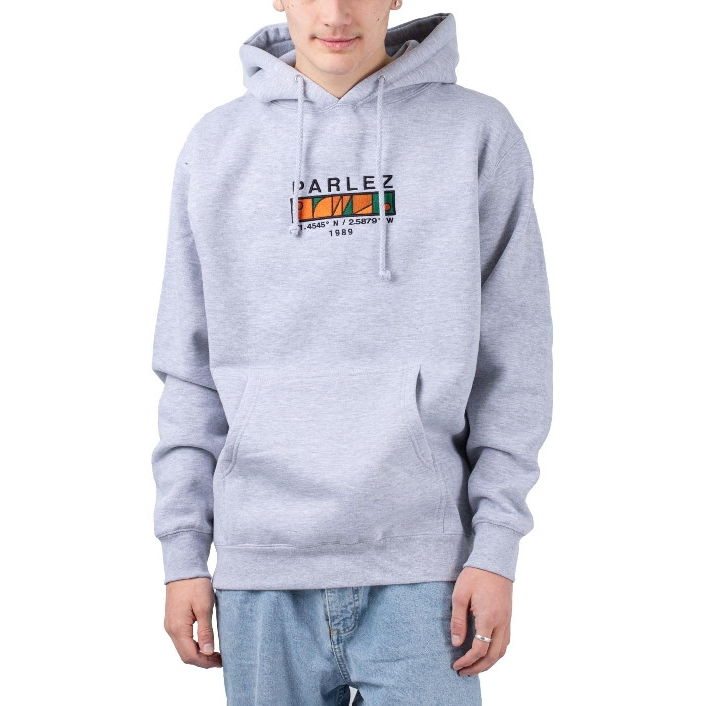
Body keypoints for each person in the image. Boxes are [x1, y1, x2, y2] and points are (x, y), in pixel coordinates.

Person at [150, 2, 553, 704]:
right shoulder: (216, 145)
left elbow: (514, 359)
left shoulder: (476, 133)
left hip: (428, 569)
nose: (336, 13)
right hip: (262, 568)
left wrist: (496, 547)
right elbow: (189, 366)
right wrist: (182, 551)